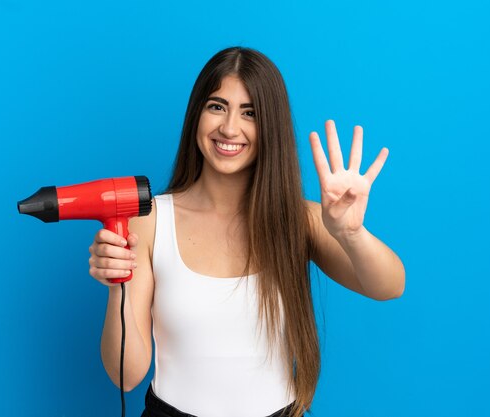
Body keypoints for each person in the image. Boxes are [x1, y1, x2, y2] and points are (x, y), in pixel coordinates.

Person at [88, 46, 405, 417]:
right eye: (217, 106)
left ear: (271, 125)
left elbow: (389, 286)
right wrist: (117, 284)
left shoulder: (300, 219)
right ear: (197, 115)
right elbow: (126, 376)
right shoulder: (150, 221)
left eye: (250, 113)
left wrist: (351, 233)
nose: (229, 128)